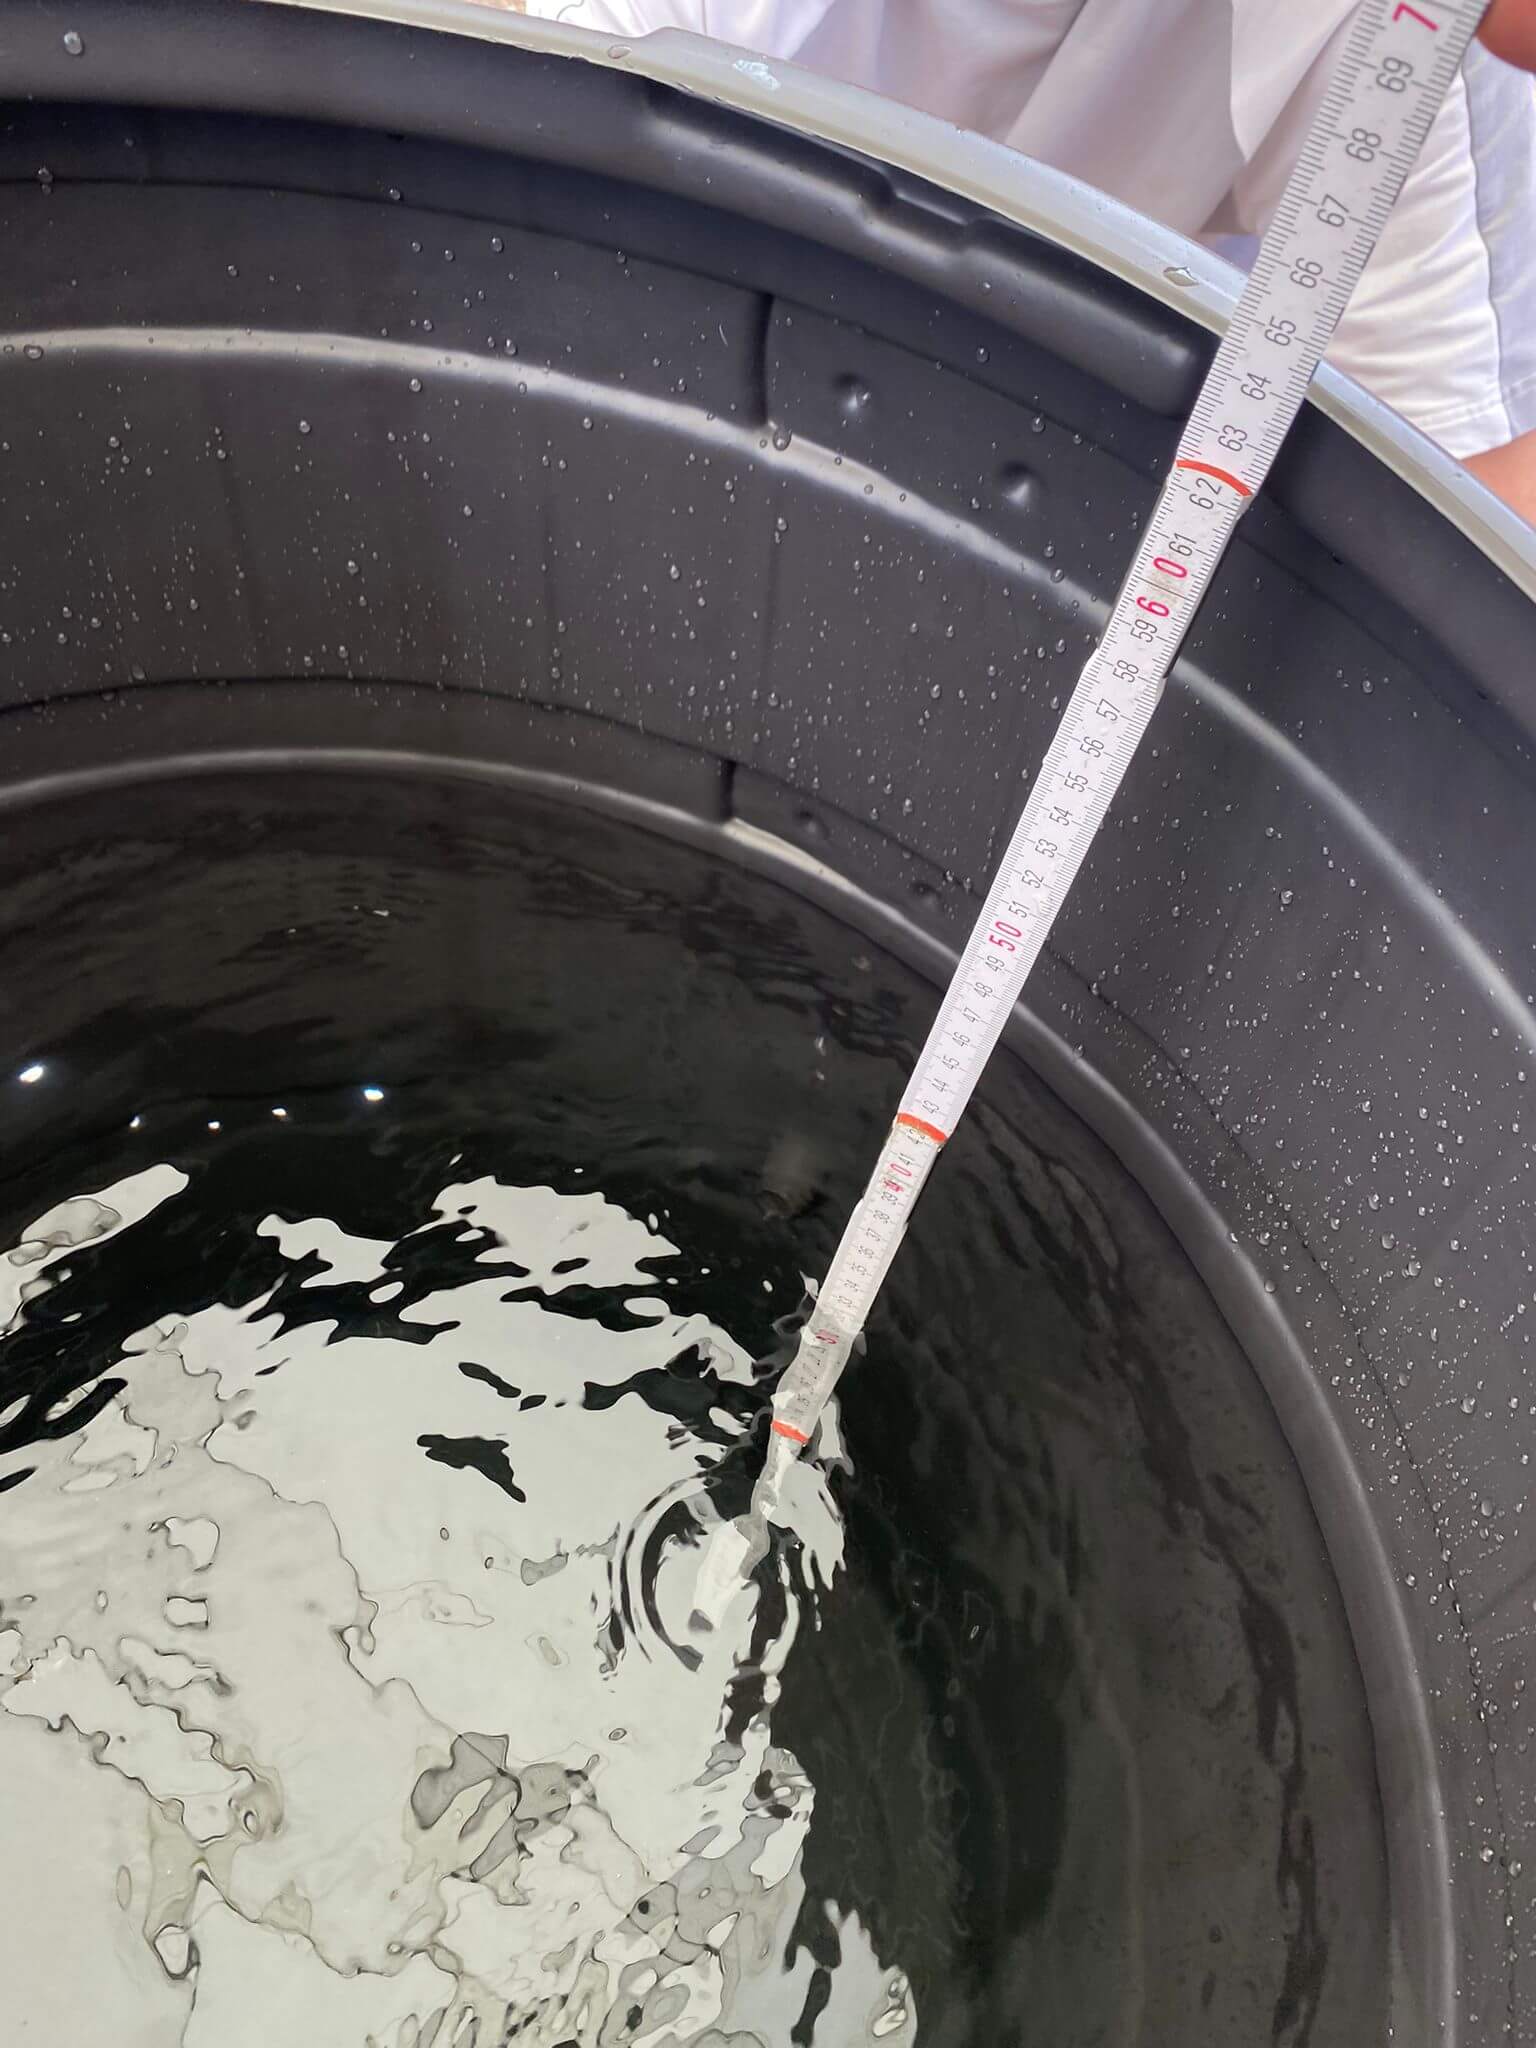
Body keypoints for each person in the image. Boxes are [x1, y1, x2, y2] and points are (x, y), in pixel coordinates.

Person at [495, 0, 1536, 524]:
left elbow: (1464, 523)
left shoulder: (1408, 55)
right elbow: (470, 159)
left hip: (1053, 469)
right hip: (663, 350)